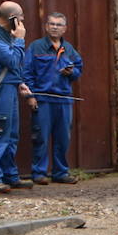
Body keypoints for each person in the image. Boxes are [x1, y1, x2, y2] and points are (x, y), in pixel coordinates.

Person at [0, 1, 34, 193]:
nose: (23, 20)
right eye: (21, 17)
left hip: (9, 87)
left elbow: (13, 65)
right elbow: (12, 60)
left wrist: (19, 82)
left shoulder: (4, 34)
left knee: (11, 135)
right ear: (12, 18)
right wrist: (20, 39)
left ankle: (10, 176)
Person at [26, 11, 84, 184]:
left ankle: (60, 173)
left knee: (62, 139)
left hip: (64, 100)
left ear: (65, 29)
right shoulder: (36, 47)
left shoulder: (69, 49)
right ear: (46, 26)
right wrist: (30, 96)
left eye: (58, 25)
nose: (54, 27)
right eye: (51, 24)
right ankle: (39, 174)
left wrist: (72, 72)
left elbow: (79, 68)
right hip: (43, 99)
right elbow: (27, 73)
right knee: (41, 138)